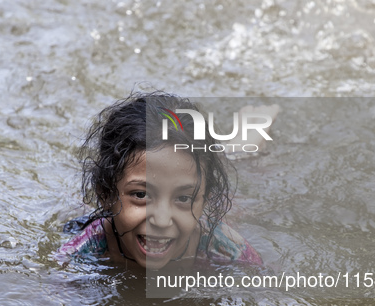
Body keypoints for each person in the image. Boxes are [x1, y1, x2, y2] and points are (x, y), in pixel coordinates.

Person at [57, 92, 262, 270]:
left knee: (237, 164)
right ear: (105, 194)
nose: (162, 221)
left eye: (183, 198)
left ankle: (245, 141)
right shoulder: (87, 248)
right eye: (141, 195)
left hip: (227, 206)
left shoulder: (225, 248)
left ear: (206, 200)